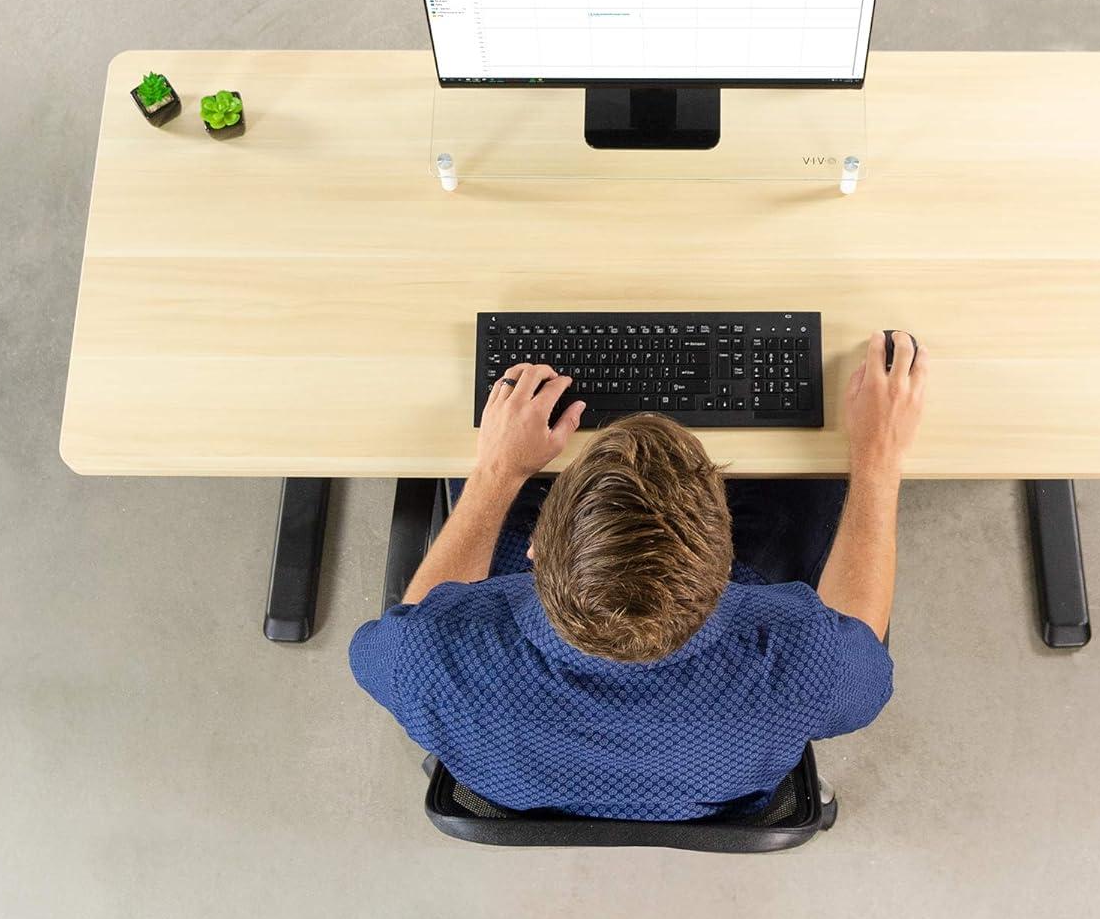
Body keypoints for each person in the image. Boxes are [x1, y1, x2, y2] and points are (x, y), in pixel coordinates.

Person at [349, 330, 927, 820]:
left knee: (477, 476)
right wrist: (877, 457)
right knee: (814, 478)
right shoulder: (808, 664)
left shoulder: (427, 658)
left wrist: (498, 472)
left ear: (534, 552)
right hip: (712, 768)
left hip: (522, 777)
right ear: (723, 565)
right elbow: (861, 642)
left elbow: (408, 621)